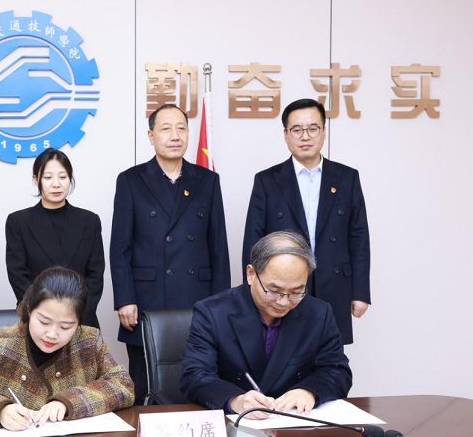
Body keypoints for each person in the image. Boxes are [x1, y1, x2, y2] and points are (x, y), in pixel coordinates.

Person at [110, 103, 231, 404]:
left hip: (197, 299)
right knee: (145, 388)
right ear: (151, 136)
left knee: (199, 382)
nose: (174, 135)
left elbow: (218, 248)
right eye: (166, 129)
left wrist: (221, 304)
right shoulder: (131, 180)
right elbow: (120, 247)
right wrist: (125, 298)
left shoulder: (207, 180)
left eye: (181, 128)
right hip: (146, 299)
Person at [0, 267, 134, 430]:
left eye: (66, 327)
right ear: (29, 309)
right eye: (44, 322)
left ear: (78, 323)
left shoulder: (88, 343)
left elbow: (123, 385)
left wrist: (69, 401)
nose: (52, 334)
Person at [181, 230, 352, 418]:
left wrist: (309, 391)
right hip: (235, 423)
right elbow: (195, 375)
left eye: (296, 292)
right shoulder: (212, 312)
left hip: (294, 422)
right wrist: (236, 400)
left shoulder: (319, 313)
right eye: (274, 291)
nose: (284, 302)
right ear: (251, 274)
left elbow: (337, 372)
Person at [242, 98, 370, 345]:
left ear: (323, 132)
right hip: (283, 289)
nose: (305, 136)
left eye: (312, 128)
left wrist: (360, 291)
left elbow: (359, 237)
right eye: (297, 130)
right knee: (281, 352)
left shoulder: (346, 178)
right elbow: (253, 239)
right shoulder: (267, 181)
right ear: (286, 134)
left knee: (329, 356)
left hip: (334, 284)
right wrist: (253, 292)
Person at [5, 148, 105, 329]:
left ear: (70, 179)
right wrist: (44, 314)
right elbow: (17, 276)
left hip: (82, 320)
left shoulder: (89, 221)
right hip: (39, 322)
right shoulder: (18, 221)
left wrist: (77, 314)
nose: (56, 184)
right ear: (36, 180)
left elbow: (96, 275)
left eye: (63, 177)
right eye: (48, 177)